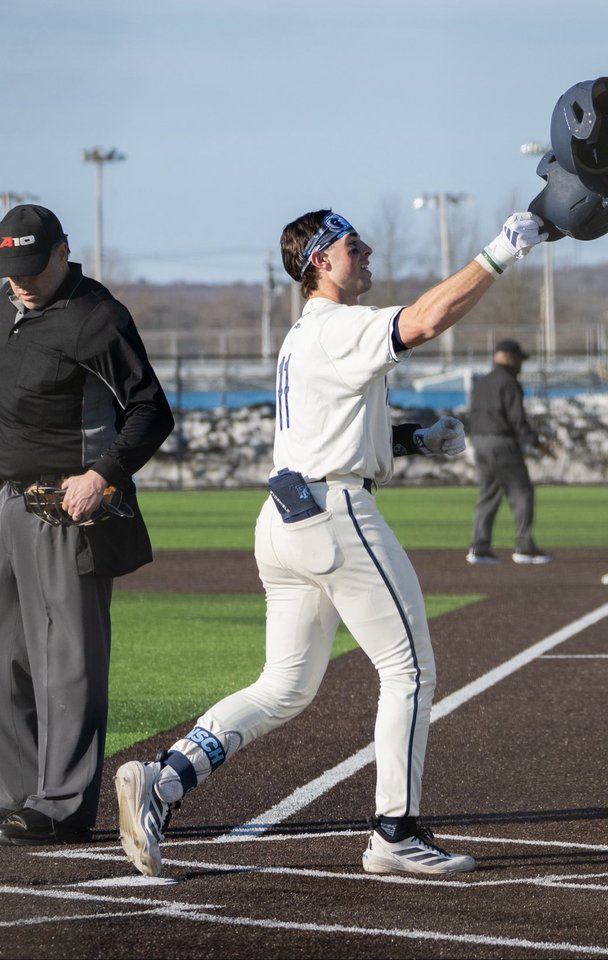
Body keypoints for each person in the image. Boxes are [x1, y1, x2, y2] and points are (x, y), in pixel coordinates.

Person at [115, 207, 545, 878]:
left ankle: (165, 780)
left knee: (284, 685)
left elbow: (328, 424)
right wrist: (497, 253)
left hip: (286, 517)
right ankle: (394, 832)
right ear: (319, 260)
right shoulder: (339, 324)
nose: (366, 249)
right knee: (410, 671)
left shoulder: (306, 334)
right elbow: (428, 320)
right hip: (335, 514)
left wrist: (409, 440)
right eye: (351, 245)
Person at [0, 204, 174, 845]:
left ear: (62, 252)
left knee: (66, 659)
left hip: (66, 506)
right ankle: (16, 795)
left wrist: (102, 474)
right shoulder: (3, 306)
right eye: (8, 266)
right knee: (4, 658)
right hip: (4, 501)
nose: (18, 280)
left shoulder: (97, 316)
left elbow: (152, 411)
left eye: (29, 265)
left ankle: (65, 804)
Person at [466, 338, 552, 565]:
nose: (520, 365)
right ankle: (524, 547)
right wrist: (537, 443)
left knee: (489, 493)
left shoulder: (480, 382)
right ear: (509, 357)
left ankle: (479, 547)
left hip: (480, 441)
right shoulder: (509, 382)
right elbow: (517, 419)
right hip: (502, 442)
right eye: (519, 359)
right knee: (521, 492)